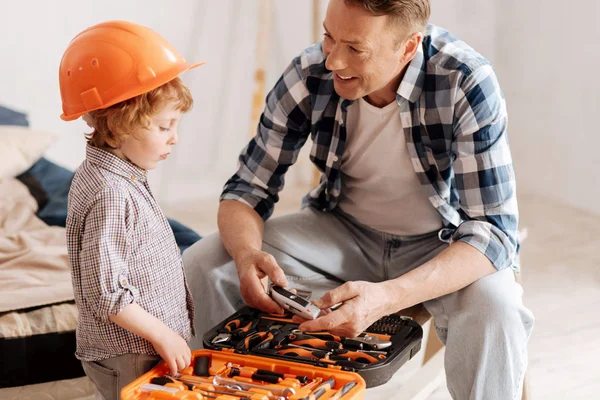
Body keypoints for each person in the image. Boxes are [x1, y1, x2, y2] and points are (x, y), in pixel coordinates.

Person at [184, 1, 534, 398]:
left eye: (355, 49)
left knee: (496, 308)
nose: (333, 60)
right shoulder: (308, 71)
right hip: (340, 230)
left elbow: (493, 232)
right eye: (328, 36)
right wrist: (247, 254)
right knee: (205, 261)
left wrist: (388, 296)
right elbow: (246, 189)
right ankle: (214, 391)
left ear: (408, 47)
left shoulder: (465, 80)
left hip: (440, 243)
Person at [59, 21, 204, 400]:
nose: (175, 137)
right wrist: (163, 334)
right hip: (131, 352)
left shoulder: (120, 175)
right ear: (122, 124)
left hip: (141, 345)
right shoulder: (110, 193)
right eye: (164, 126)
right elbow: (109, 293)